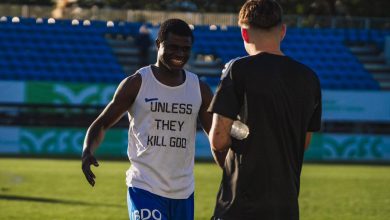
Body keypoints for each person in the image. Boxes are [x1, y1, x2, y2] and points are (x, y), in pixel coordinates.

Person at [81, 18, 213, 220]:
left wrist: (233, 171)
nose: (180, 53)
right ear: (158, 44)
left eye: (185, 48)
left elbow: (216, 136)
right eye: (173, 47)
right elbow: (102, 123)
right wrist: (87, 150)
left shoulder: (199, 89)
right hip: (144, 186)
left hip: (184, 191)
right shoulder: (137, 83)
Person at [208, 0, 322, 219]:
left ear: (244, 34)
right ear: (283, 31)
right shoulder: (309, 78)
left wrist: (240, 129)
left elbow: (218, 139)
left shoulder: (238, 70)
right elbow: (303, 142)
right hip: (286, 205)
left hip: (240, 203)